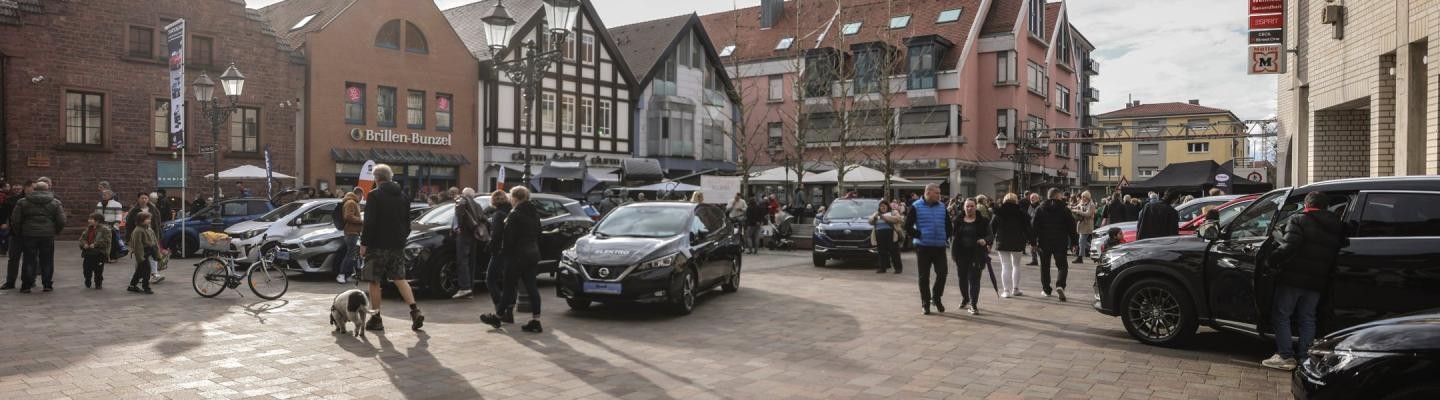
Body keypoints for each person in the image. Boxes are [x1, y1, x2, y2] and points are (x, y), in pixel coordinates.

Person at [1262, 192, 1345, 371]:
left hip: (1293, 277)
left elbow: (1289, 246)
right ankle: (1305, 357)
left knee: (1282, 314)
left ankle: (1285, 356)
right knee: (1307, 318)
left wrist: (1272, 259)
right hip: (1318, 280)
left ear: (1307, 205)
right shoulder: (1337, 224)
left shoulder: (1299, 220)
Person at [360, 164, 425, 332]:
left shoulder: (374, 195)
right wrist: (401, 238)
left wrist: (364, 243)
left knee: (374, 280)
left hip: (377, 245)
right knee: (399, 278)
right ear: (390, 177)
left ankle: (376, 318)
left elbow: (369, 223)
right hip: (397, 245)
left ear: (376, 178)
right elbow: (407, 223)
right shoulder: (403, 196)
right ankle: (414, 310)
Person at [498, 186, 544, 333]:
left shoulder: (514, 214)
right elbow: (539, 232)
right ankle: (536, 320)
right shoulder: (534, 213)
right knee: (532, 287)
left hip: (516, 256)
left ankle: (498, 315)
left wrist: (504, 254)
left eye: (511, 197)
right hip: (532, 254)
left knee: (508, 287)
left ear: (515, 198)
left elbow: (508, 239)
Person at [12, 181, 65, 293]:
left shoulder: (23, 201)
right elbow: (61, 220)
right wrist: (55, 231)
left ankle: (26, 285)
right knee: (47, 260)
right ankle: (47, 284)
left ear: (35, 189)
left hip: (29, 234)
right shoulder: (55, 202)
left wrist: (20, 231)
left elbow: (15, 220)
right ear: (47, 189)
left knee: (28, 260)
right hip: (47, 234)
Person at [905, 183, 950, 315]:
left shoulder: (942, 207)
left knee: (942, 273)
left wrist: (946, 235)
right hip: (923, 247)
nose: (939, 196)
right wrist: (920, 235)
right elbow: (907, 226)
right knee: (924, 276)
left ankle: (936, 297)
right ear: (928, 192)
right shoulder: (916, 206)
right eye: (937, 193)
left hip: (940, 247)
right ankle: (925, 303)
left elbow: (948, 225)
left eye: (939, 193)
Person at [1031, 188, 1075, 301]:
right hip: (1060, 242)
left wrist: (1033, 242)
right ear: (1057, 196)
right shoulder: (1065, 209)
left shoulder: (1040, 209)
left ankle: (1046, 289)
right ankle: (1060, 285)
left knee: (1045, 266)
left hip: (1044, 242)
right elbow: (1072, 227)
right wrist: (1074, 242)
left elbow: (1034, 226)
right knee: (1062, 265)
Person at [479, 191, 514, 327]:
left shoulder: (498, 215)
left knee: (490, 279)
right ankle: (509, 311)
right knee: (509, 281)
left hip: (499, 251)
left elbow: (496, 235)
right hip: (511, 251)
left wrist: (491, 248)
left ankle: (500, 308)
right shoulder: (512, 212)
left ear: (493, 202)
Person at [950, 199, 990, 315]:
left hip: (976, 254)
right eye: (967, 206)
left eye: (972, 206)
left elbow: (990, 235)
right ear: (964, 207)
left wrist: (985, 240)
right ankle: (965, 298)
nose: (969, 208)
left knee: (974, 279)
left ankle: (973, 304)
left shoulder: (982, 221)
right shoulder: (958, 221)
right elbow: (953, 236)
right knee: (962, 279)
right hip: (960, 254)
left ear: (975, 207)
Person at [990, 193, 1029, 298]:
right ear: (1016, 201)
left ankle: (1006, 291)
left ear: (1004, 200)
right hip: (1018, 241)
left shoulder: (998, 212)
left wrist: (989, 243)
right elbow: (1027, 229)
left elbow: (992, 228)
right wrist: (1032, 241)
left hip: (1002, 242)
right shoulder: (1022, 213)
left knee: (1005, 266)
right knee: (1016, 265)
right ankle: (1015, 289)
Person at [125, 193, 165, 284]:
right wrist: (129, 239)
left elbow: (158, 223)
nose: (144, 200)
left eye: (146, 198)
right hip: (139, 235)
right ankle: (138, 275)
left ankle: (155, 274)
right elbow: (129, 225)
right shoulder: (133, 211)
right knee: (140, 255)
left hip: (152, 234)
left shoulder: (153, 209)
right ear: (138, 199)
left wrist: (159, 235)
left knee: (153, 253)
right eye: (142, 198)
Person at [451, 188, 484, 299]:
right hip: (473, 234)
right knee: (471, 261)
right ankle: (470, 289)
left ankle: (464, 288)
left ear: (464, 194)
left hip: (464, 233)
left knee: (462, 260)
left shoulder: (462, 201)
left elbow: (459, 214)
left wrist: (458, 227)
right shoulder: (477, 205)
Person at [0, 180, 33, 290]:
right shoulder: (13, 200)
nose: (34, 190)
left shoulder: (37, 201)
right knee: (13, 258)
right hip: (16, 233)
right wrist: (3, 222)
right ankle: (10, 281)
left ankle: (29, 281)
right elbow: (3, 212)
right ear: (26, 187)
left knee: (30, 258)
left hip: (31, 234)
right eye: (32, 188)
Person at [336, 188, 364, 284]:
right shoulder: (351, 202)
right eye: (362, 196)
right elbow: (348, 216)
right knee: (350, 255)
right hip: (351, 232)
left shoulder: (351, 202)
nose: (362, 198)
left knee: (352, 255)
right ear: (359, 194)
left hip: (353, 232)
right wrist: (361, 221)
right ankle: (342, 274)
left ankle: (347, 275)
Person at [126, 212, 157, 294]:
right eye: (147, 219)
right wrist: (140, 257)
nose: (149, 220)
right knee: (147, 270)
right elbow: (137, 245)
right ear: (141, 220)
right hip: (143, 253)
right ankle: (146, 287)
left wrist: (157, 253)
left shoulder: (149, 229)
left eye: (149, 219)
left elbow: (154, 241)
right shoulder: (138, 230)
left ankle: (132, 286)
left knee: (139, 271)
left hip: (148, 251)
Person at [868, 200, 903, 274]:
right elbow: (870, 221)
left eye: (884, 206)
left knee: (894, 252)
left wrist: (884, 217)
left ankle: (898, 268)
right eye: (881, 206)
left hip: (891, 235)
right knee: (881, 252)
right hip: (879, 235)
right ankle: (882, 268)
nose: (882, 207)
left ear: (888, 206)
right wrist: (874, 217)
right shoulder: (877, 213)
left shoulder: (893, 212)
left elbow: (898, 219)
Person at [79, 212, 112, 289]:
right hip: (88, 253)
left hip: (99, 253)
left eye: (91, 219)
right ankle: (87, 279)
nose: (89, 220)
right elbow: (82, 239)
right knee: (86, 269)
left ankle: (98, 283)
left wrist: (96, 244)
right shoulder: (88, 229)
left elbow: (107, 241)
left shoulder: (105, 230)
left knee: (98, 270)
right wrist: (84, 244)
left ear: (97, 221)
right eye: (89, 219)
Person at [1071, 191, 1096, 263]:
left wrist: (1078, 212)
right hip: (1081, 224)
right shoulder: (1081, 202)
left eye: (1084, 197)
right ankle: (1096, 251)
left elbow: (1088, 214)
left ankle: (1080, 257)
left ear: (1088, 197)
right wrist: (1071, 207)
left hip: (1087, 225)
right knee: (1083, 242)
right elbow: (1076, 207)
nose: (1083, 198)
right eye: (1082, 197)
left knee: (1081, 241)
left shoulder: (1092, 205)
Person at [1025, 192, 1042, 266]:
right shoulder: (1030, 206)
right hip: (1031, 229)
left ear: (1037, 199)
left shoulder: (1040, 207)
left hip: (1038, 229)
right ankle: (1034, 260)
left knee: (1038, 246)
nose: (1031, 199)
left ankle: (1043, 259)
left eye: (1033, 198)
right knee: (1032, 245)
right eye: (1031, 198)